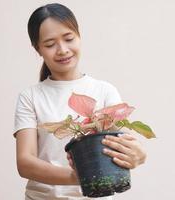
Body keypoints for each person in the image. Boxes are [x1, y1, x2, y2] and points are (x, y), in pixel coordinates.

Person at [13, 3, 147, 200]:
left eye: (69, 39)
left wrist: (138, 154)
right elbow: (25, 162)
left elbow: (122, 142)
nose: (62, 50)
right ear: (38, 49)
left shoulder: (104, 90)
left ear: (79, 36)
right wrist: (80, 176)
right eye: (50, 44)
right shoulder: (31, 97)